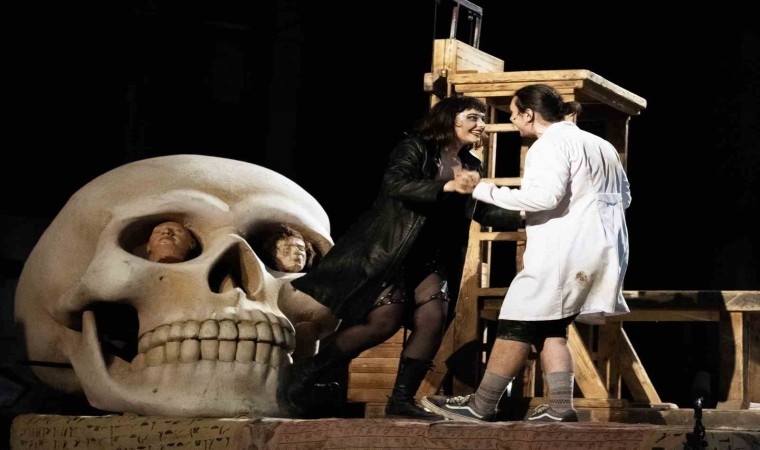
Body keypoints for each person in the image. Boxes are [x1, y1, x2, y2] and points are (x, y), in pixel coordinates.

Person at [286, 95, 522, 419]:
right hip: (395, 250)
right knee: (383, 323)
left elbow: (479, 209)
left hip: (433, 257)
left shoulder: (471, 164)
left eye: (482, 119)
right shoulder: (416, 148)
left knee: (434, 319)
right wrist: (447, 187)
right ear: (450, 118)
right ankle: (307, 372)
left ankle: (401, 399)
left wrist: (528, 218)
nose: (481, 125)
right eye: (473, 117)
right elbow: (396, 185)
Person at [421, 84, 632, 423]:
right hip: (602, 250)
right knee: (551, 327)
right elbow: (625, 197)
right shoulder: (599, 144)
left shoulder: (548, 145)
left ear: (529, 114)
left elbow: (543, 198)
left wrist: (483, 189)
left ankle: (482, 405)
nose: (513, 119)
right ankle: (561, 407)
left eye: (514, 113)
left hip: (564, 251)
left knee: (517, 319)